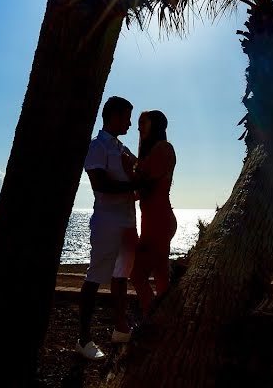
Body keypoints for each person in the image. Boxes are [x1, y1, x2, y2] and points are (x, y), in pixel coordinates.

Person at [75, 96, 139, 361]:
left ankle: (120, 329)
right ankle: (83, 339)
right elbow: (100, 185)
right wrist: (137, 186)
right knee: (95, 277)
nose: (129, 122)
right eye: (126, 116)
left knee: (122, 275)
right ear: (112, 116)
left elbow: (139, 171)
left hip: (127, 218)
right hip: (108, 220)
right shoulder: (97, 147)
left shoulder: (121, 148)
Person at [129, 110, 177, 316]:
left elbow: (142, 181)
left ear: (155, 125)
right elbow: (139, 191)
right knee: (160, 276)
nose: (138, 127)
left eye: (142, 122)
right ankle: (163, 319)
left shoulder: (164, 148)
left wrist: (126, 162)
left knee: (138, 275)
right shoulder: (153, 152)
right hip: (152, 221)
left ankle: (153, 319)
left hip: (159, 221)